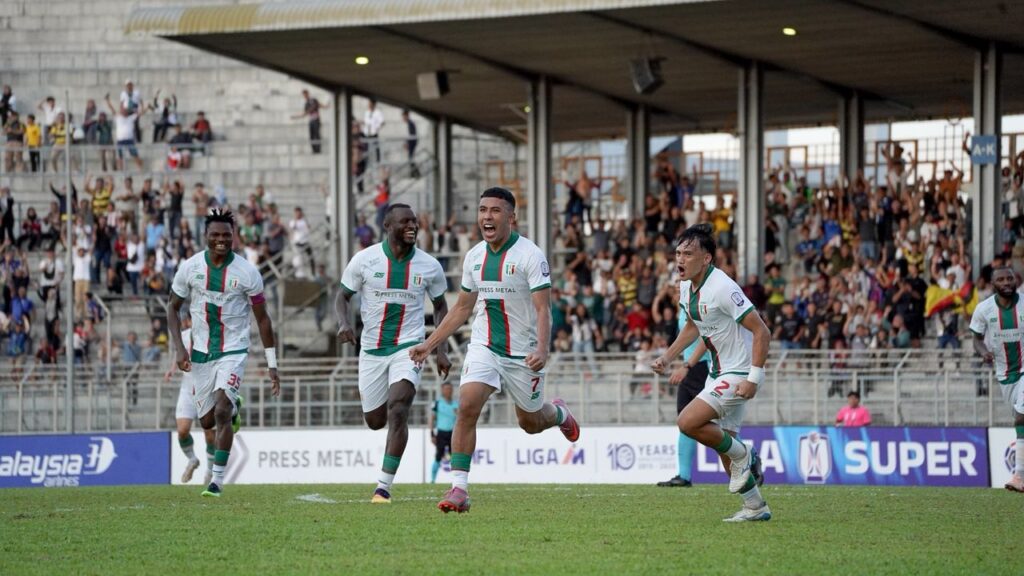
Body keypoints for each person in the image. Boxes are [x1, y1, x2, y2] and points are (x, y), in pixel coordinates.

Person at [410, 187, 580, 514]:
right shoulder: (474, 257)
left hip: (523, 352)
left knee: (530, 423)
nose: (487, 217)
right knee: (467, 405)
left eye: (495, 211)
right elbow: (462, 308)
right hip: (485, 345)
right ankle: (459, 488)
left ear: (512, 217)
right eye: (482, 210)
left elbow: (543, 309)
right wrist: (430, 344)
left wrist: (542, 349)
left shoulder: (530, 256)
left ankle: (558, 413)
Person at [651, 223, 772, 522]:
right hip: (716, 372)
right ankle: (755, 507)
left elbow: (762, 330)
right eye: (678, 253)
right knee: (725, 452)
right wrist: (668, 357)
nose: (680, 259)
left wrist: (753, 379)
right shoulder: (685, 287)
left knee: (687, 422)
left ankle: (745, 452)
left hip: (737, 372)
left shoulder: (723, 287)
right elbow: (694, 326)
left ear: (706, 258)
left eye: (688, 254)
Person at [336, 203, 450, 503]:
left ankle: (383, 487)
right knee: (375, 420)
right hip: (372, 350)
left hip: (409, 346)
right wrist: (344, 323)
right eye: (405, 222)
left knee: (399, 407)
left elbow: (441, 307)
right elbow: (342, 296)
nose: (412, 226)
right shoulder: (365, 260)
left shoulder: (429, 265)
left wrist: (439, 349)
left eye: (415, 221)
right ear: (387, 226)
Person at [167, 209, 281, 498]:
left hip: (234, 349)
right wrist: (180, 348)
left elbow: (263, 319)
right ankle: (234, 407)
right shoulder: (190, 268)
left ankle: (216, 482)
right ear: (205, 236)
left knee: (221, 411)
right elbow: (172, 307)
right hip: (201, 353)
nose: (221, 240)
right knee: (206, 422)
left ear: (234, 237)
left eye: (227, 235)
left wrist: (272, 364)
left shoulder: (247, 273)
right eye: (215, 234)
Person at [970, 267, 1024, 492]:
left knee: (1021, 417)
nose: (1006, 282)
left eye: (1009, 278)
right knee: (1020, 421)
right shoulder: (984, 309)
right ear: (993, 284)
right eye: (1001, 279)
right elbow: (976, 338)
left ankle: (1019, 476)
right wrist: (983, 352)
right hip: (1005, 374)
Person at [165, 315, 217, 485]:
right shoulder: (184, 336)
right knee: (182, 430)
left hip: (206, 390)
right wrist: (172, 370)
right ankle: (192, 459)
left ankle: (209, 472)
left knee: (210, 434)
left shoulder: (211, 336)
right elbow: (178, 354)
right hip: (188, 389)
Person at [657, 337, 709, 488]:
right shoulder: (684, 318)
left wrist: (687, 365)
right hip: (689, 368)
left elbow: (706, 338)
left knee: (718, 423)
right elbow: (685, 336)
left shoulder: (702, 317)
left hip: (705, 367)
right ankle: (684, 476)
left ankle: (750, 460)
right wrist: (666, 359)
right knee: (684, 421)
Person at [429, 381, 458, 483]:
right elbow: (432, 418)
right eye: (446, 389)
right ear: (442, 390)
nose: (448, 391)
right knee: (438, 456)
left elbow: (460, 419)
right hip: (441, 433)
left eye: (450, 389)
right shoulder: (437, 403)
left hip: (453, 434)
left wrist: (457, 414)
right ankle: (432, 480)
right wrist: (432, 434)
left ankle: (456, 481)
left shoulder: (456, 404)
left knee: (454, 457)